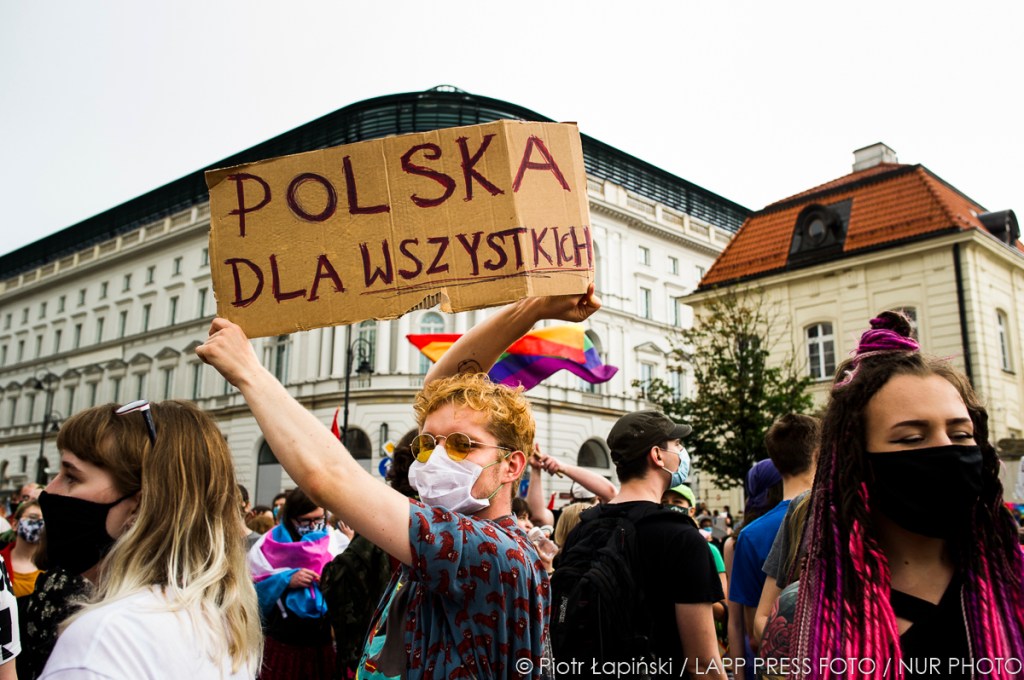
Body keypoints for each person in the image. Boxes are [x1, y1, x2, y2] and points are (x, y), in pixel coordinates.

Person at [197, 289, 600, 678]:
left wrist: (248, 371)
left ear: (512, 466)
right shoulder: (472, 537)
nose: (438, 458)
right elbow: (438, 386)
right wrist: (532, 308)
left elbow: (328, 477)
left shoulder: (489, 550)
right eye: (428, 443)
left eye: (462, 444)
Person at [773, 311, 1024, 679]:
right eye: (912, 438)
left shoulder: (1014, 581)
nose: (946, 450)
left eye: (960, 434)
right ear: (857, 462)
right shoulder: (806, 612)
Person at [38, 399, 262, 679]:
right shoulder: (221, 621)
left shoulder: (105, 639)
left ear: (139, 507)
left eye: (72, 476)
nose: (49, 490)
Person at [553, 409, 726, 677]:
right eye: (677, 445)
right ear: (657, 455)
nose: (682, 452)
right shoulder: (682, 538)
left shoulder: (583, 528)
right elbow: (702, 664)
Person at [729, 415, 818, 654]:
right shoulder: (825, 513)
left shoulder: (749, 535)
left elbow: (754, 630)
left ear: (775, 463)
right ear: (818, 455)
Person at [248, 486, 341, 679]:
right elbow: (252, 592)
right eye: (306, 521)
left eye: (318, 519)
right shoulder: (267, 546)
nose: (313, 525)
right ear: (291, 518)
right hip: (282, 644)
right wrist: (285, 580)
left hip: (321, 645)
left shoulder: (334, 541)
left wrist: (329, 581)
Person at [1, 500, 45, 597]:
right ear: (15, 524)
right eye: (33, 517)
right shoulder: (1, 561)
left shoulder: (54, 566)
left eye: (45, 519)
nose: (40, 523)